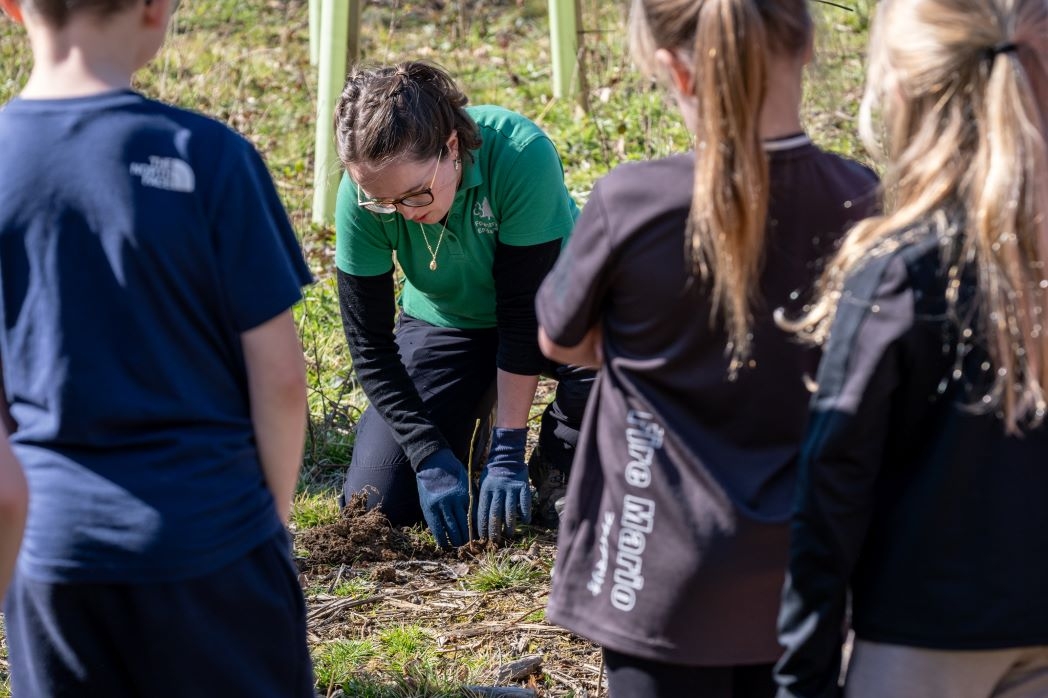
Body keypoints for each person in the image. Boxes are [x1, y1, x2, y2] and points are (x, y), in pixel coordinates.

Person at [535, 0, 879, 695]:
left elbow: (559, 340)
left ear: (674, 71)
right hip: (804, 571)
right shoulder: (860, 199)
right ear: (807, 47)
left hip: (656, 576)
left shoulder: (630, 202)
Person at [0, 0, 315, 695]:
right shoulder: (210, 157)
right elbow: (284, 381)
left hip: (56, 558)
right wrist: (267, 522)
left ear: (14, 9)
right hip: (218, 538)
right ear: (154, 7)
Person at [775, 1, 1048, 697]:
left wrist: (803, 674)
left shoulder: (899, 269)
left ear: (898, 92)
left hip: (922, 637)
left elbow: (833, 485)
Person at [333, 60, 592, 547]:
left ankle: (559, 457)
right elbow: (368, 345)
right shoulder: (364, 194)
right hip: (448, 321)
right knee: (382, 500)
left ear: (452, 148)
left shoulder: (519, 154)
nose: (405, 214)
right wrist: (427, 452)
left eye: (416, 194)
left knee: (615, 367)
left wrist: (510, 452)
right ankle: (468, 428)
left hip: (554, 313)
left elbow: (521, 315)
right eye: (384, 204)